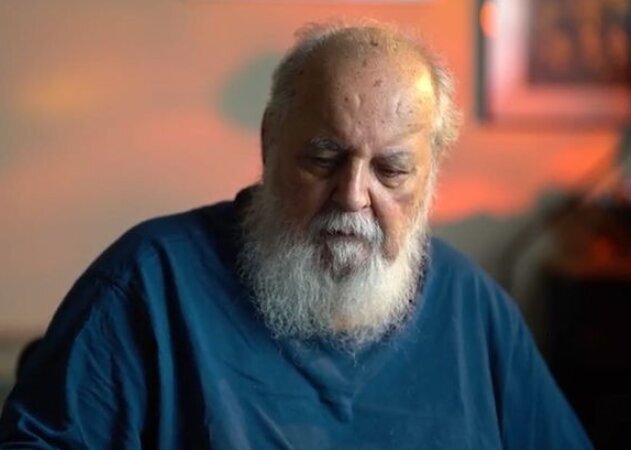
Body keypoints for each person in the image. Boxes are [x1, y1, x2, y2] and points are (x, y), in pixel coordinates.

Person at [0, 22, 593, 449]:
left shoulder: (474, 309)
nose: (353, 195)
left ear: (431, 175)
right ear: (270, 143)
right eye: (324, 158)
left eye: (391, 170)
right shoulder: (147, 285)